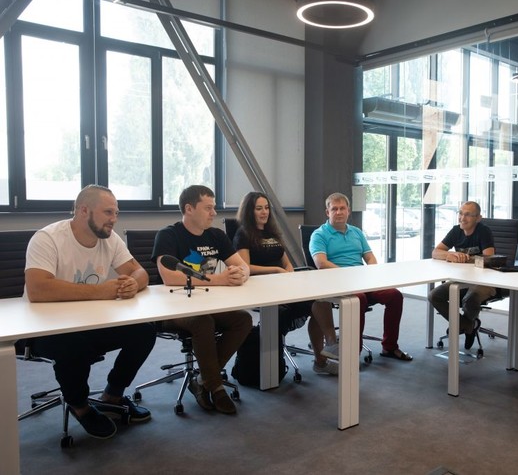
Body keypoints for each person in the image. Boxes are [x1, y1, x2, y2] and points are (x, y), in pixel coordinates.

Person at [24, 184, 156, 440]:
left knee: (144, 331)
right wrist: (100, 291)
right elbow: (38, 289)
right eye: (108, 212)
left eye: (116, 213)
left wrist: (134, 283)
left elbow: (139, 271)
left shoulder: (110, 238)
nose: (114, 219)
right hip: (43, 328)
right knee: (72, 345)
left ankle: (113, 396)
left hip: (91, 322)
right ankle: (80, 407)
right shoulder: (48, 238)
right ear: (83, 210)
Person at [153, 185, 253, 414]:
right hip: (173, 308)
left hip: (207, 304)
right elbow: (169, 277)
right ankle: (216, 387)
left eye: (214, 207)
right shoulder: (168, 235)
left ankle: (202, 380)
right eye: (208, 208)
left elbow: (242, 266)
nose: (214, 213)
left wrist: (241, 274)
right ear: (189, 209)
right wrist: (219, 280)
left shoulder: (216, 235)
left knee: (243, 320)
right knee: (203, 321)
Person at [234, 191, 340, 376]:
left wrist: (289, 275)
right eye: (258, 208)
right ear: (249, 211)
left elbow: (286, 263)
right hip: (260, 287)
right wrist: (275, 271)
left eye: (266, 208)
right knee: (293, 310)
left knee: (320, 301)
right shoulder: (243, 234)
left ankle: (325, 353)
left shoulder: (272, 233)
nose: (264, 212)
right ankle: (273, 344)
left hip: (283, 284)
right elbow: (245, 267)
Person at [309, 192, 412, 361]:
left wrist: (370, 273)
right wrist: (349, 276)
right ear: (327, 212)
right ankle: (352, 353)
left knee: (394, 295)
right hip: (337, 282)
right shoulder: (319, 235)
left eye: (342, 208)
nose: (339, 212)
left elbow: (370, 257)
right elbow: (321, 263)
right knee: (359, 299)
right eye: (334, 209)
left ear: (348, 211)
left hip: (361, 280)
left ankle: (390, 347)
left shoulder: (356, 232)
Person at [428, 201, 497, 350]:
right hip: (461, 279)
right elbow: (435, 252)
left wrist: (465, 258)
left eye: (468, 215)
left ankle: (465, 326)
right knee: (434, 295)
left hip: (485, 280)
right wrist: (449, 255)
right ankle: (468, 325)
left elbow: (489, 259)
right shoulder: (456, 231)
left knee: (470, 298)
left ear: (478, 218)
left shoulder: (483, 231)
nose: (462, 218)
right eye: (460, 213)